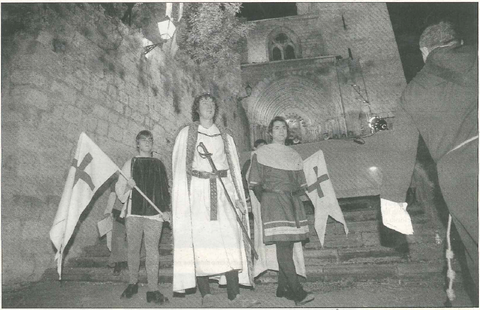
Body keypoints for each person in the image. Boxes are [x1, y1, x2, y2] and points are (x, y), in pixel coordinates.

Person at [380, 21, 478, 299]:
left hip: (460, 178)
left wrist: (392, 202)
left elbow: (401, 151)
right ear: (456, 41)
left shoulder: (414, 91)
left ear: (425, 51)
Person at [171, 93, 258, 307]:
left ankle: (234, 294)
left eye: (212, 103)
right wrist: (184, 201)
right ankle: (206, 294)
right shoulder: (187, 133)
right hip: (198, 193)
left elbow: (232, 169)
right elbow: (180, 170)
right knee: (201, 242)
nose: (209, 106)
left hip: (222, 190)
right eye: (204, 103)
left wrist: (238, 197)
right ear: (197, 109)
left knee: (230, 239)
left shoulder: (225, 135)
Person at [248, 116, 315, 306]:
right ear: (270, 132)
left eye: (284, 128)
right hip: (274, 201)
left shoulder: (293, 154)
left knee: (289, 244)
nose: (281, 131)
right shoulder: (262, 153)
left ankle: (282, 287)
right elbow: (254, 182)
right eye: (276, 128)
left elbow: (301, 183)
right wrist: (268, 199)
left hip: (292, 202)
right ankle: (297, 291)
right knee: (284, 246)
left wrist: (292, 195)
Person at [116, 130, 171, 304]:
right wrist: (128, 187)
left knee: (152, 251)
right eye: (143, 140)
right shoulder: (130, 163)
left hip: (154, 214)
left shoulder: (159, 164)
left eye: (150, 140)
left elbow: (165, 189)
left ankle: (153, 289)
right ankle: (133, 283)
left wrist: (167, 209)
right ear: (137, 143)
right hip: (134, 213)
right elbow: (120, 188)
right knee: (133, 249)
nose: (147, 142)